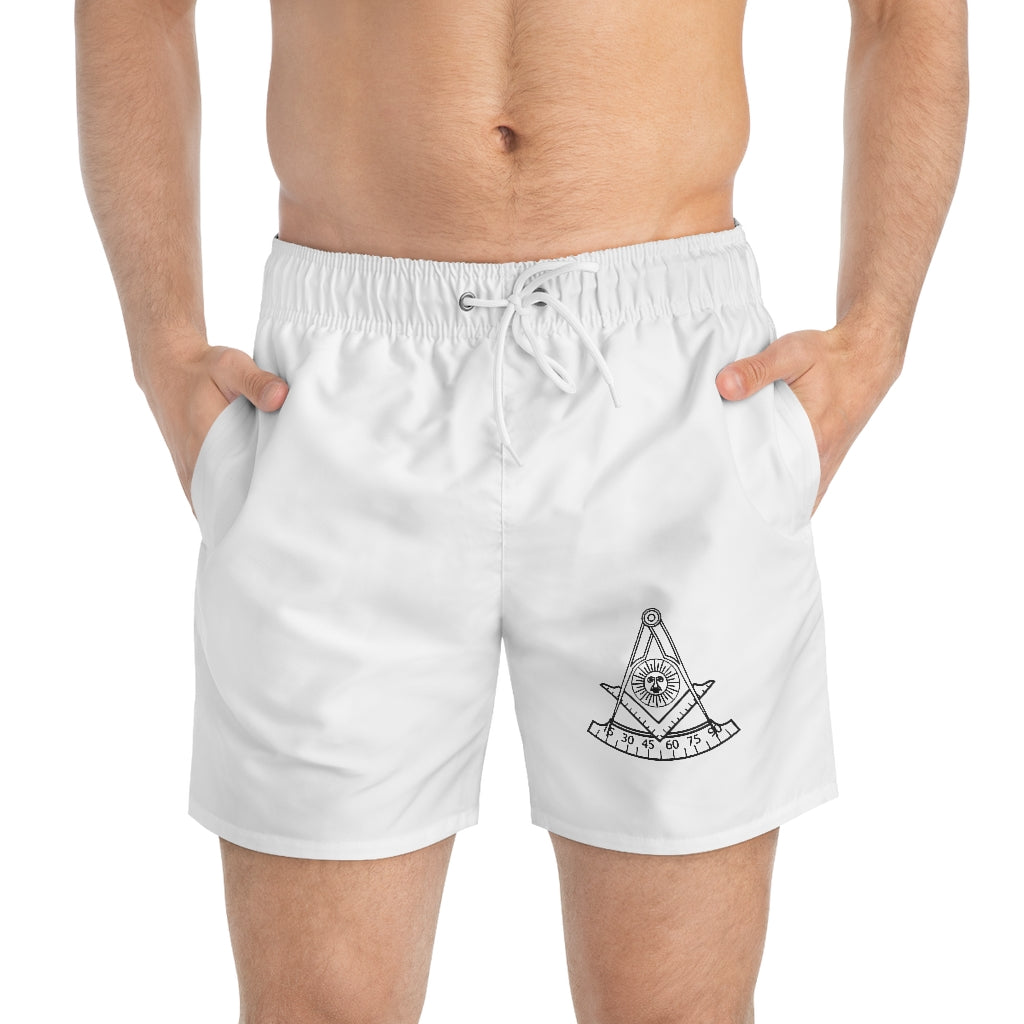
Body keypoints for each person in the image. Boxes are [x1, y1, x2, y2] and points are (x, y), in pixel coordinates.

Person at [75, 0, 968, 1020]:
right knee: (318, 1005)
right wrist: (162, 343)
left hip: (667, 375)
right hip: (344, 380)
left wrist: (878, 328)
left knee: (673, 1008)